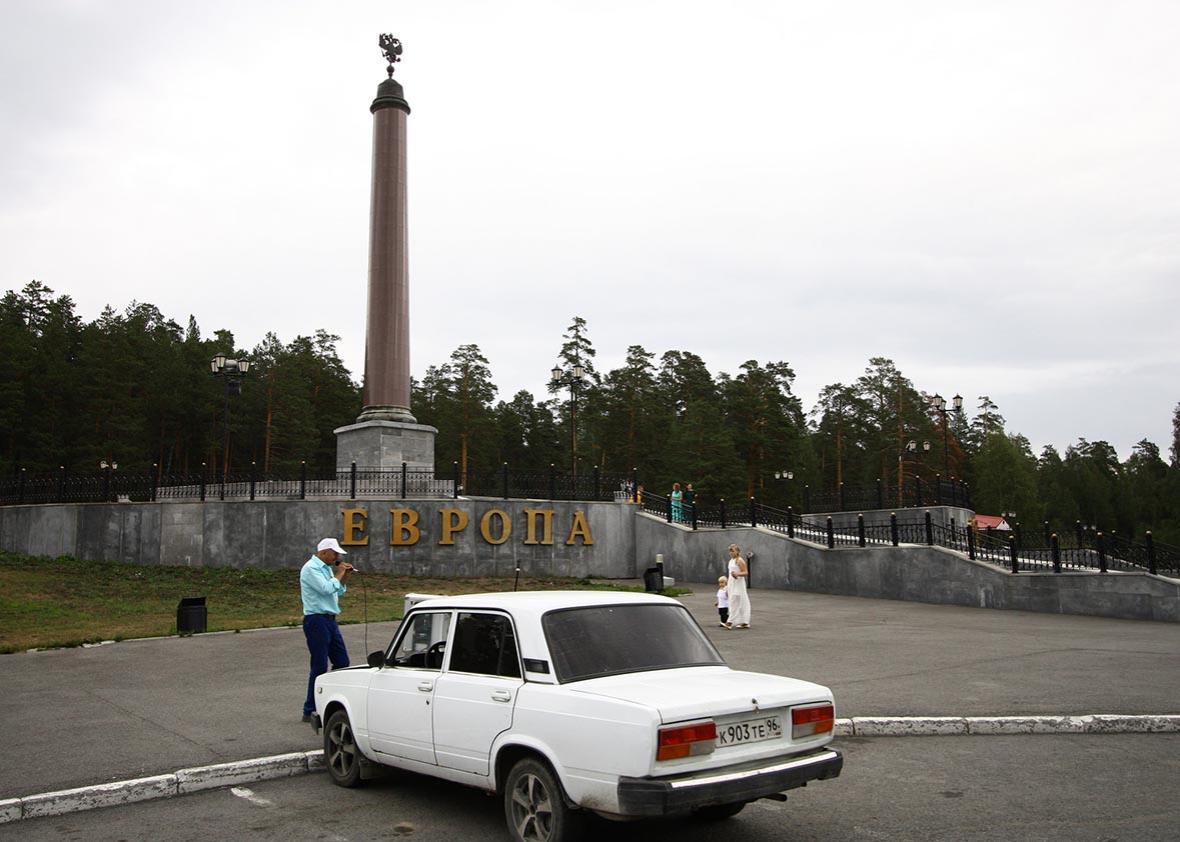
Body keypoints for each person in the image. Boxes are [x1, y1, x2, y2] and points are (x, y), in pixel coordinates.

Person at [300, 537, 354, 722]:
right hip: (316, 620)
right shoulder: (311, 569)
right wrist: (339, 574)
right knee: (319, 665)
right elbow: (325, 589)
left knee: (342, 661)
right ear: (324, 552)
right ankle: (310, 709)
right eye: (334, 553)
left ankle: (331, 701)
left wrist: (344, 575)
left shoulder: (327, 569)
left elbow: (338, 590)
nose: (337, 556)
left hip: (330, 620)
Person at [725, 543, 751, 629]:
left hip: (739, 584)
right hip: (732, 583)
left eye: (732, 551)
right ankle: (744, 621)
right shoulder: (731, 561)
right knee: (735, 601)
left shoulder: (740, 560)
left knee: (735, 600)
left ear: (737, 551)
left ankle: (730, 621)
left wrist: (737, 574)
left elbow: (746, 572)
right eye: (730, 551)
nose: (731, 553)